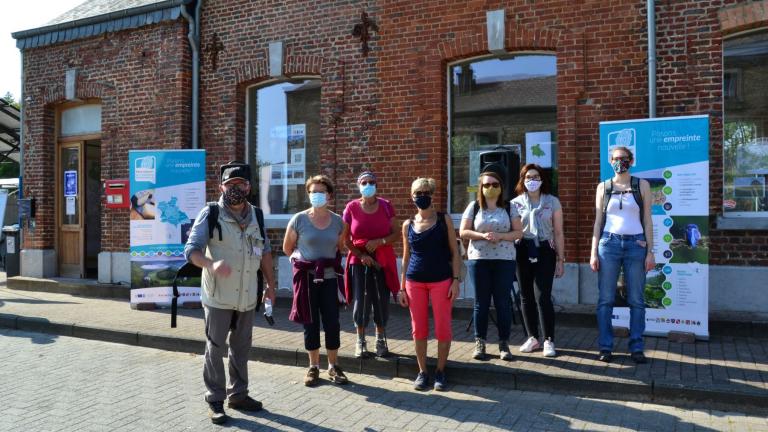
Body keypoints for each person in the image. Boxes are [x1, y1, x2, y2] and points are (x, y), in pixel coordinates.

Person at [184, 162, 277, 424]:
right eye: (230, 184)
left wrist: (270, 285)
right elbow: (191, 250)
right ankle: (215, 398)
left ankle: (238, 394)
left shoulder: (257, 215)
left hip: (247, 295)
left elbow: (266, 252)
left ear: (248, 187)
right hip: (218, 296)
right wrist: (210, 264)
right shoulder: (211, 213)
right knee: (215, 348)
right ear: (221, 187)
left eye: (241, 184)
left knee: (241, 347)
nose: (235, 189)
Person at [590, 146, 655, 364]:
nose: (621, 162)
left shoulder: (642, 185)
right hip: (608, 244)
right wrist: (593, 253)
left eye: (624, 159)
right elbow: (598, 222)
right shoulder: (603, 187)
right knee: (606, 299)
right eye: (617, 159)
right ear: (610, 161)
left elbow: (647, 220)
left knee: (636, 300)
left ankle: (637, 347)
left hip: (636, 244)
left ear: (631, 160)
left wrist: (650, 252)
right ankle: (605, 347)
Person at [283, 175, 349, 387]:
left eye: (321, 192)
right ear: (308, 194)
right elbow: (287, 248)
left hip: (329, 279)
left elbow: (340, 248)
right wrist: (302, 262)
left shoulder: (339, 221)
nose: (317, 195)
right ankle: (313, 366)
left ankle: (333, 366)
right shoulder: (299, 219)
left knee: (332, 323)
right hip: (307, 279)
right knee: (310, 323)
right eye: (313, 192)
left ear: (329, 195)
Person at [399, 177, 461, 391]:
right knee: (419, 329)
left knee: (443, 328)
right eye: (418, 193)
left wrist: (456, 280)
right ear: (412, 196)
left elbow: (455, 253)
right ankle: (423, 371)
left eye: (426, 192)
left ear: (433, 195)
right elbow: (406, 258)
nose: (422, 196)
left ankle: (441, 372)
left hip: (442, 281)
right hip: (414, 282)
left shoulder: (444, 220)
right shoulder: (407, 224)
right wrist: (401, 287)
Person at [459, 169, 523, 361]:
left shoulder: (510, 208)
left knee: (503, 303)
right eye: (486, 185)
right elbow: (463, 232)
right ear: (481, 188)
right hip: (479, 260)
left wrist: (501, 236)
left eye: (495, 185)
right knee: (481, 303)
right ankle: (480, 342)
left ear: (501, 187)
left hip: (504, 260)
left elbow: (518, 233)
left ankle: (504, 344)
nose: (491, 188)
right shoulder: (474, 207)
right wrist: (482, 236)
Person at [342, 171, 400, 358]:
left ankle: (380, 339)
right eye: (364, 182)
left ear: (376, 184)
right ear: (359, 185)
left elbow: (396, 234)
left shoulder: (386, 206)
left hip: (382, 260)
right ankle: (361, 341)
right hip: (359, 261)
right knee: (362, 300)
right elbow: (346, 239)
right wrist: (361, 255)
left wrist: (380, 242)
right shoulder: (351, 207)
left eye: (371, 182)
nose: (368, 185)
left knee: (381, 299)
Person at [511, 164, 565, 358]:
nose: (531, 180)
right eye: (528, 177)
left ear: (542, 179)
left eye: (535, 177)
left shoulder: (552, 202)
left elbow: (558, 232)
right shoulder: (515, 203)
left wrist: (561, 259)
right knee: (525, 296)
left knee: (542, 295)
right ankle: (532, 337)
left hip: (544, 249)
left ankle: (549, 339)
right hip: (523, 249)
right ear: (522, 180)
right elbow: (511, 229)